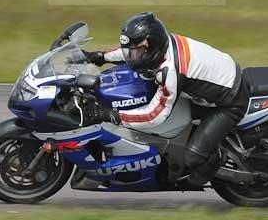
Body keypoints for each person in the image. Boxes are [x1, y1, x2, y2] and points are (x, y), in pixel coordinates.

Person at [83, 12, 249, 187]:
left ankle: (214, 160)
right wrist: (99, 56)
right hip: (211, 87)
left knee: (193, 156)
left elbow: (154, 116)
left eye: (137, 52)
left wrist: (113, 115)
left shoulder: (170, 71)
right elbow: (131, 51)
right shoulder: (163, 44)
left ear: (151, 47)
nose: (132, 56)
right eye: (132, 51)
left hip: (230, 102)